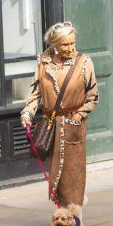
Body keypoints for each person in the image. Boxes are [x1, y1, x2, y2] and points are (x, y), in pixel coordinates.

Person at [20, 21, 99, 206]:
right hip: (51, 125)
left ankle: (73, 213)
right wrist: (27, 114)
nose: (71, 48)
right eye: (65, 44)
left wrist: (77, 118)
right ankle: (63, 212)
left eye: (73, 42)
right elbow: (35, 94)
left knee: (74, 172)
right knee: (57, 172)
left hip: (74, 125)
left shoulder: (85, 63)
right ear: (54, 44)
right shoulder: (43, 62)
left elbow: (93, 97)